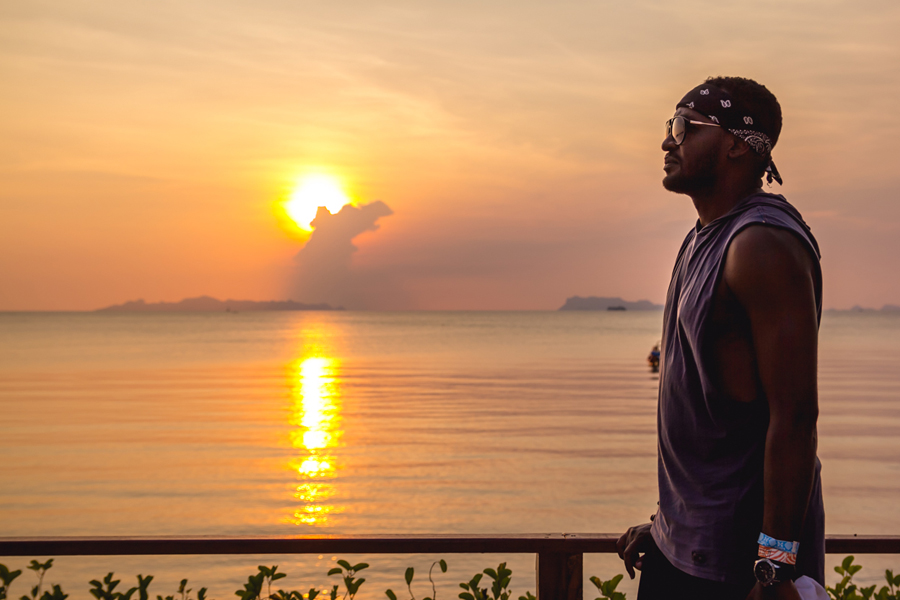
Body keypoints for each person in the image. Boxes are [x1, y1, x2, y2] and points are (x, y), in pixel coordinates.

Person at [616, 77, 825, 600]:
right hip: (686, 546)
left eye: (685, 127)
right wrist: (669, 526)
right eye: (670, 127)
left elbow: (795, 418)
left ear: (736, 143)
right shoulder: (701, 238)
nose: (669, 141)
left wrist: (774, 567)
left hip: (738, 566)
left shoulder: (761, 245)